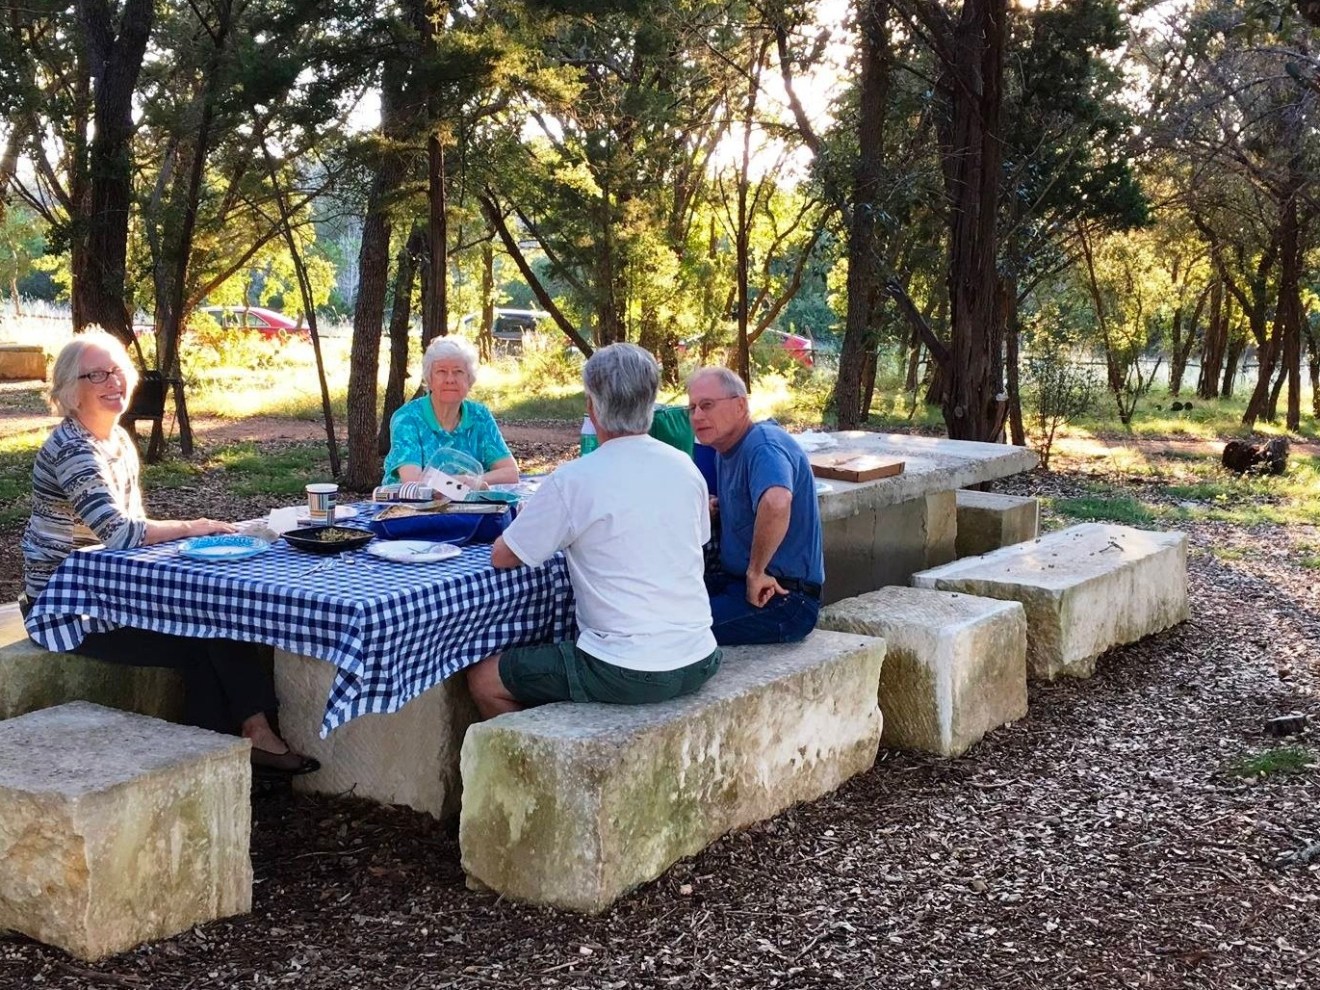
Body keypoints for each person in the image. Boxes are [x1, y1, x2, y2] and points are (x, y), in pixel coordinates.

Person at [20, 330, 318, 776]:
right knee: (201, 633)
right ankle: (220, 762)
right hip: (67, 605)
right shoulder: (73, 449)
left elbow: (132, 539)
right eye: (96, 374)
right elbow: (121, 534)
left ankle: (238, 753)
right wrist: (195, 528)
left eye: (118, 371)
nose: (112, 381)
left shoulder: (115, 440)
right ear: (69, 390)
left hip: (112, 589)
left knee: (216, 615)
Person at [466, 343, 720, 718]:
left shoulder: (574, 480)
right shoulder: (685, 467)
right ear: (651, 404)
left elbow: (504, 556)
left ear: (591, 407)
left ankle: (538, 769)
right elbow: (695, 542)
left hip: (625, 668)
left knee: (485, 679)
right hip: (700, 655)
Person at [687, 366, 823, 645]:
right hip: (736, 583)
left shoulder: (763, 446)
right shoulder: (725, 450)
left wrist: (756, 572)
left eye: (707, 405)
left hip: (783, 598)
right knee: (655, 606)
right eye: (691, 408)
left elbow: (776, 501)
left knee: (677, 629)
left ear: (740, 405)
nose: (698, 416)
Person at [383, 336, 519, 487]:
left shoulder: (480, 415)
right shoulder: (407, 418)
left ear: (469, 379)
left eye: (458, 371)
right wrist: (459, 483)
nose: (450, 379)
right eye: (441, 371)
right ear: (429, 379)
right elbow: (414, 483)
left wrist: (474, 481)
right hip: (409, 508)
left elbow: (510, 473)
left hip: (468, 507)